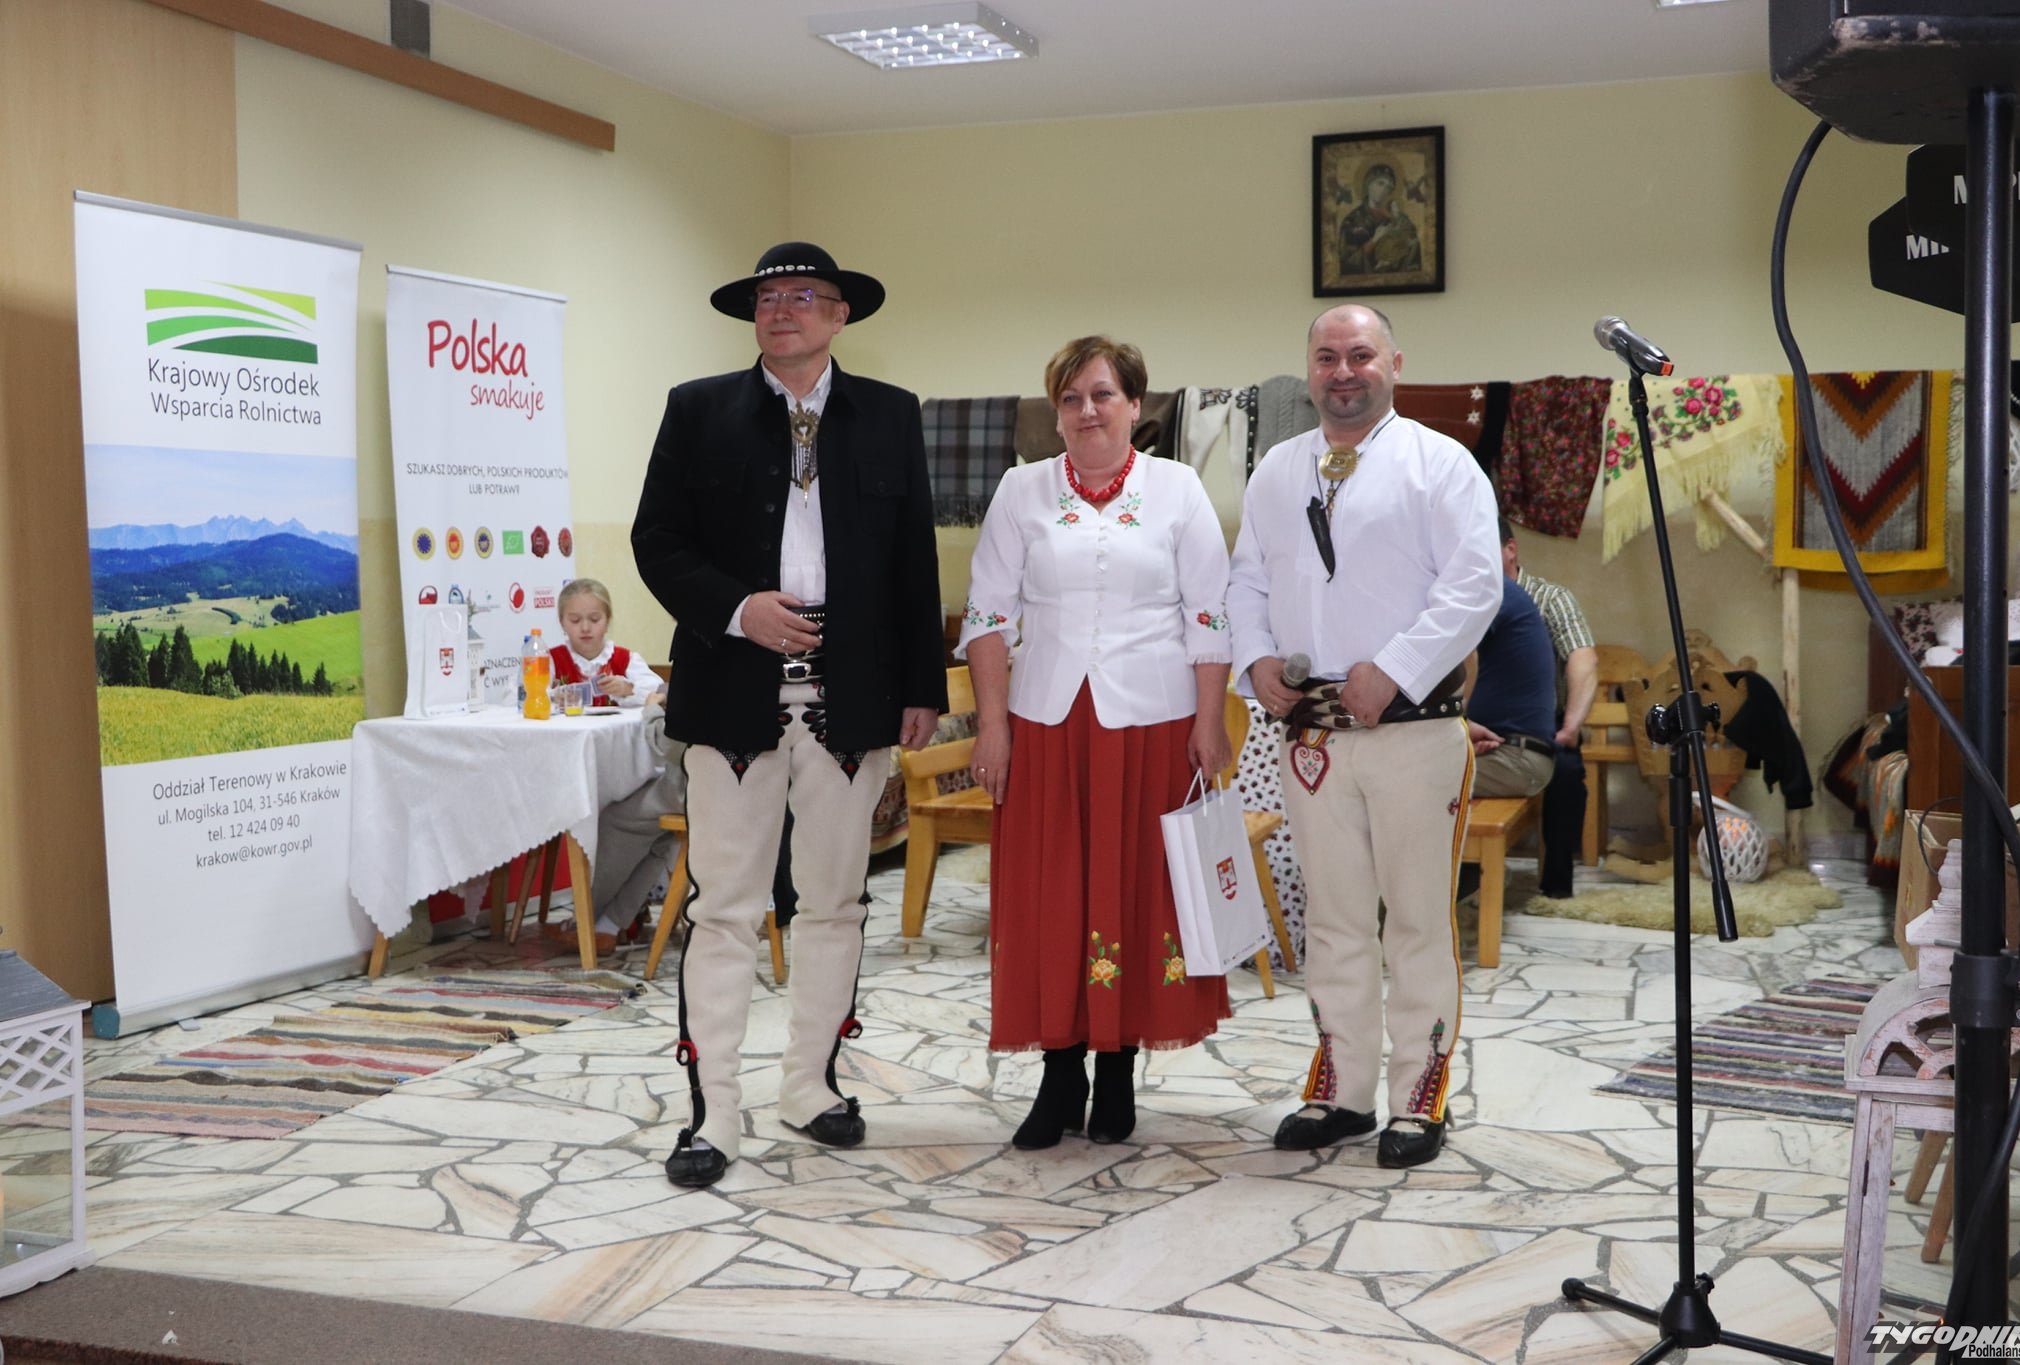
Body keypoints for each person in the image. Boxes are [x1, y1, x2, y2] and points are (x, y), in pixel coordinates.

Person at [632, 242, 946, 1190]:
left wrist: (922, 687)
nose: (783, 309)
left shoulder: (889, 414)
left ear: (840, 314)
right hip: (732, 694)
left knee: (835, 902)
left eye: (805, 296)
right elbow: (656, 541)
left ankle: (810, 1085)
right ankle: (713, 1112)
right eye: (769, 296)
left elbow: (913, 558)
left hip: (852, 701)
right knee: (725, 907)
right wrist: (739, 609)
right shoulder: (698, 409)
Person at [1227, 303, 1499, 1169]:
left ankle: (1421, 1093)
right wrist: (1255, 660)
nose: (1343, 372)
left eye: (1360, 355)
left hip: (1414, 731)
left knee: (1416, 918)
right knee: (1335, 918)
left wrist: (1398, 668)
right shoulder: (1277, 470)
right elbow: (1245, 582)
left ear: (1395, 364)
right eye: (1327, 357)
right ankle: (1341, 1088)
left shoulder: (1441, 464)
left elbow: (1475, 586)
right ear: (1308, 369)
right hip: (1311, 737)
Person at [961, 335, 1233, 1150]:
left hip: (1154, 725)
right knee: (1053, 894)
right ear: (1056, 413)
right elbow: (988, 615)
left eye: (1103, 394)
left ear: (1135, 406)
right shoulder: (1021, 490)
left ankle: (1117, 1069)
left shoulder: (1178, 489)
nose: (1086, 410)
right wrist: (993, 724)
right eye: (1071, 398)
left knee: (1139, 891)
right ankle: (1061, 1071)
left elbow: (1210, 615)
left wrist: (1209, 722)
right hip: (1047, 726)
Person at [538, 578, 673, 957]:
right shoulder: (552, 660)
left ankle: (599, 915)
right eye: (575, 620)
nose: (585, 628)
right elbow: (525, 696)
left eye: (594, 619)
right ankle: (602, 917)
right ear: (562, 622)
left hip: (623, 771)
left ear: (608, 620)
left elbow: (658, 694)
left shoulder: (625, 660)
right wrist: (551, 698)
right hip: (567, 765)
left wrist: (629, 690)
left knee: (622, 817)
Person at [1502, 525, 1597, 898]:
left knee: (1567, 773)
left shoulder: (1551, 599)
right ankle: (1469, 874)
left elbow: (1583, 658)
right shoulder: (1463, 596)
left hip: (1543, 724)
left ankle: (1557, 884)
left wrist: (1570, 726)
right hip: (1479, 720)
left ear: (1511, 549)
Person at [1465, 527, 1559, 804]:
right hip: (1505, 749)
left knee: (1404, 779)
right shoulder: (1497, 588)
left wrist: (1457, 726)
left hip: (1514, 757)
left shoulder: (1488, 589)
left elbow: (1459, 659)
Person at [1338, 163, 1422, 277]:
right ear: (1368, 185)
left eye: (1389, 187)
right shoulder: (1352, 220)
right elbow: (1346, 263)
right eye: (1380, 183)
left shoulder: (1397, 217)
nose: (1384, 190)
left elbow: (1413, 245)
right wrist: (1374, 241)